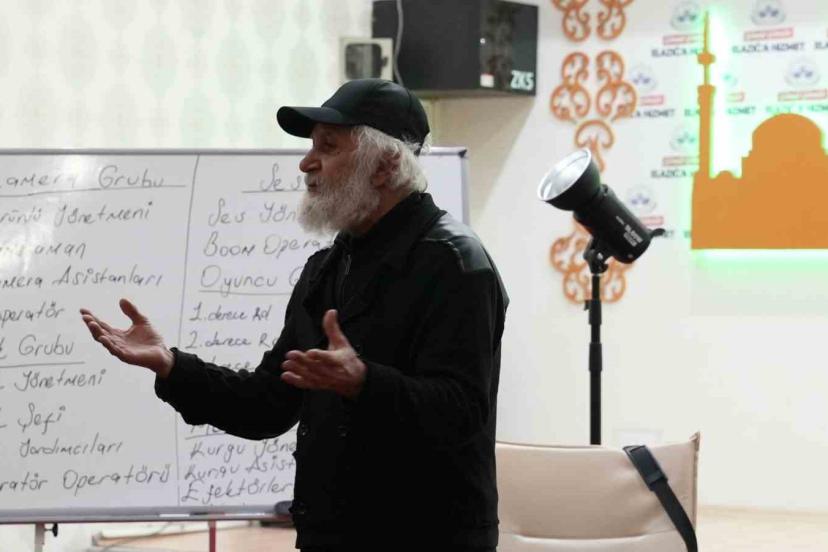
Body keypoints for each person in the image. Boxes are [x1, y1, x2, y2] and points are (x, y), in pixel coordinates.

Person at [80, 78, 508, 552]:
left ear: (385, 165)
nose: (307, 162)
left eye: (328, 146)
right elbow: (267, 403)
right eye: (311, 146)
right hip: (330, 535)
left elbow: (462, 412)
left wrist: (364, 382)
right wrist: (172, 366)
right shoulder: (327, 269)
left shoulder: (455, 262)